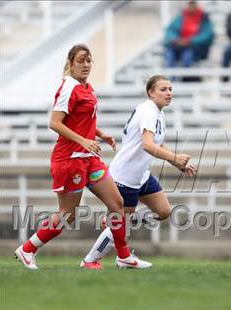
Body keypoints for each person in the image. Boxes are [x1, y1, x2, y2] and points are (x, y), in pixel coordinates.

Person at [14, 44, 141, 270]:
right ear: (71, 63)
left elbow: (81, 121)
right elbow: (54, 123)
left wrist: (100, 134)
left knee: (117, 203)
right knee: (67, 215)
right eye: (80, 60)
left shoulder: (87, 87)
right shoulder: (69, 88)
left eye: (89, 60)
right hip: (69, 158)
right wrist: (83, 140)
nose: (85, 65)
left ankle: (123, 256)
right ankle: (27, 249)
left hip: (88, 157)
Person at [80, 75, 198, 269]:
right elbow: (147, 146)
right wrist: (175, 158)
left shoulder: (157, 113)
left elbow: (157, 143)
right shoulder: (148, 111)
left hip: (141, 174)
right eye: (163, 89)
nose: (168, 93)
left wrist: (175, 162)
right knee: (119, 224)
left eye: (170, 89)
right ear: (150, 92)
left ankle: (115, 225)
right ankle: (90, 260)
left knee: (163, 211)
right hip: (125, 176)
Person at [164, 0, 214, 70]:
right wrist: (176, 39)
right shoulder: (180, 17)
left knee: (187, 56)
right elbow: (170, 30)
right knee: (169, 55)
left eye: (193, 4)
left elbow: (207, 35)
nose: (191, 6)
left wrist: (190, 41)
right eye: (190, 4)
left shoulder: (204, 18)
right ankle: (171, 78)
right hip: (178, 45)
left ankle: (185, 77)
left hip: (194, 47)